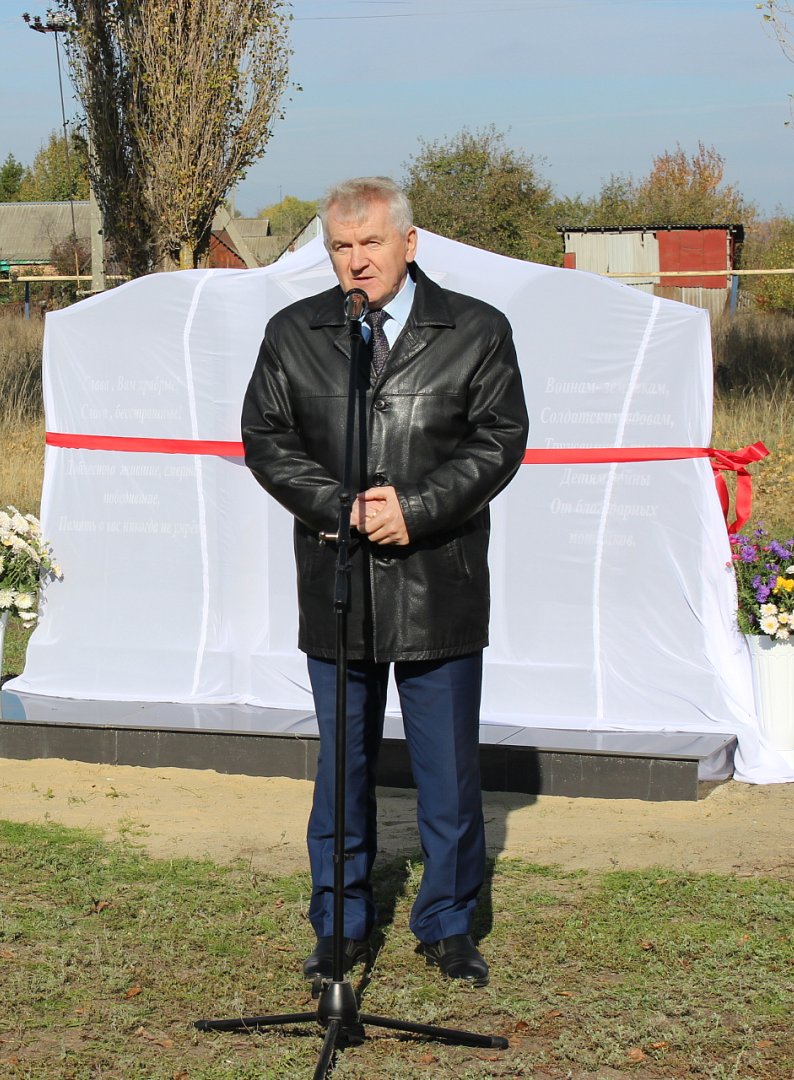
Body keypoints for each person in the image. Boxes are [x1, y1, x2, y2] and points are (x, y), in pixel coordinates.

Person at [240, 176, 528, 987]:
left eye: (371, 244)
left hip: (438, 578)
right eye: (341, 247)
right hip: (339, 576)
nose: (356, 262)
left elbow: (500, 438)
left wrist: (419, 508)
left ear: (410, 243)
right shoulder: (293, 333)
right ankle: (339, 923)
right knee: (344, 765)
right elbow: (266, 437)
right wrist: (340, 506)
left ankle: (447, 923)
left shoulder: (476, 329)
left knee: (446, 770)